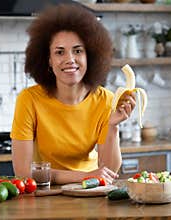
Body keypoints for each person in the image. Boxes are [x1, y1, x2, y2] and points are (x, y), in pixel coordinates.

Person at [10, 4, 136, 185]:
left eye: (78, 51)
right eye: (60, 52)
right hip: (45, 195)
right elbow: (23, 172)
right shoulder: (29, 99)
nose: (70, 59)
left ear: (89, 57)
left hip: (90, 192)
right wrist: (84, 176)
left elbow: (109, 171)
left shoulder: (106, 100)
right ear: (49, 61)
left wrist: (113, 126)